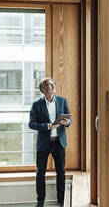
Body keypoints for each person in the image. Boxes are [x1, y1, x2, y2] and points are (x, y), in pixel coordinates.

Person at [29, 77, 72, 207]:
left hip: (59, 142)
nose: (52, 86)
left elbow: (69, 119)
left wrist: (67, 122)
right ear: (43, 89)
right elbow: (31, 124)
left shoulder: (62, 101)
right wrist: (47, 126)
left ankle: (61, 200)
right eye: (49, 85)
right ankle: (40, 201)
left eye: (53, 84)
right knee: (40, 173)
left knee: (61, 172)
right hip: (44, 143)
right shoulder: (36, 105)